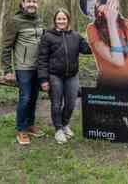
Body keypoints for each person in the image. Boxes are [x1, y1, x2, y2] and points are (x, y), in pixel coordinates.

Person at [37, 8, 92, 144]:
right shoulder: (48, 36)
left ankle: (65, 124)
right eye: (59, 19)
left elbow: (87, 49)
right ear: (55, 20)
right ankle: (58, 130)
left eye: (64, 19)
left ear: (68, 20)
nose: (61, 21)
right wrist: (43, 79)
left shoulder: (75, 36)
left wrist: (97, 39)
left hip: (72, 76)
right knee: (56, 104)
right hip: (54, 75)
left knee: (71, 103)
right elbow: (42, 59)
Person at [1, 0, 46, 145]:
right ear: (23, 3)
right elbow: (6, 46)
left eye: (34, 1)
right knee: (25, 98)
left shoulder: (39, 20)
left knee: (34, 98)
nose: (32, 4)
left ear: (37, 4)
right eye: (29, 1)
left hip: (38, 67)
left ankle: (30, 124)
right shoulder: (15, 21)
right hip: (23, 67)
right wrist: (7, 70)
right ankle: (21, 130)